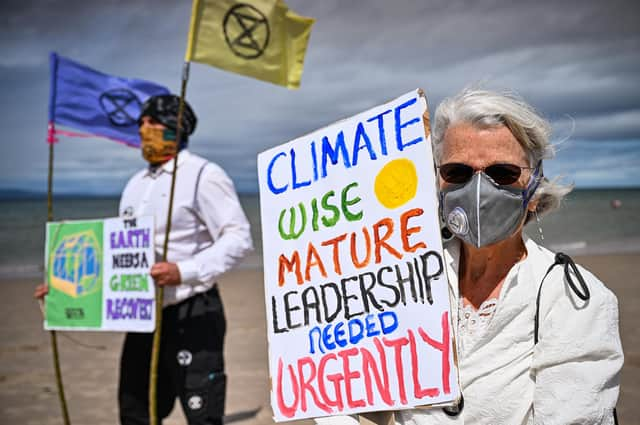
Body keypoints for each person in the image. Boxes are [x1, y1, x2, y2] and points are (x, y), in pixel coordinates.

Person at [316, 89, 623, 424]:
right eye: (458, 173)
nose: (479, 189)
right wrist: (319, 377)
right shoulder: (402, 279)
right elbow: (368, 400)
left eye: (502, 173)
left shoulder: (572, 299)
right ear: (436, 182)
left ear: (534, 190)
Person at [36, 94, 253, 425]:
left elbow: (238, 237)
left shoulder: (204, 175)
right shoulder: (135, 185)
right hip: (143, 315)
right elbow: (118, 252)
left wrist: (185, 270)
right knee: (135, 410)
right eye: (140, 123)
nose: (142, 129)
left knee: (202, 413)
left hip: (192, 310)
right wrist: (62, 290)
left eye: (152, 122)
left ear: (175, 128)